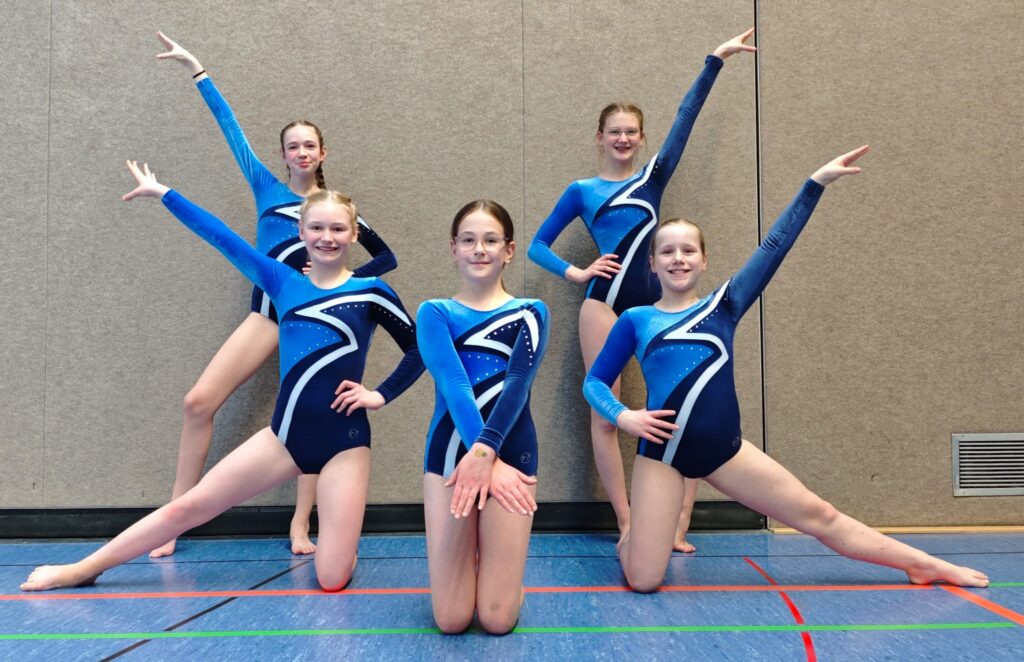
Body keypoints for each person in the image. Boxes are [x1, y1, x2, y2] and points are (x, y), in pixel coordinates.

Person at [583, 146, 990, 591]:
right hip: (661, 455)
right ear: (652, 263)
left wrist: (814, 184)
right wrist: (624, 416)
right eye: (667, 251)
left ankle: (923, 563)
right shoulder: (636, 320)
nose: (677, 258)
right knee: (643, 580)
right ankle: (632, 540)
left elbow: (775, 246)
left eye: (688, 250)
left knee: (820, 514)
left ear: (704, 260)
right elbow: (595, 382)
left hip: (723, 451)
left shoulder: (724, 305)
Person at [20, 162, 421, 592]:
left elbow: (420, 349)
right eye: (317, 227)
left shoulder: (372, 291)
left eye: (338, 229)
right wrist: (164, 193)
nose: (328, 237)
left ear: (354, 234)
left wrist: (380, 395)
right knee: (187, 507)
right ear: (302, 232)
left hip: (346, 444)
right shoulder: (281, 281)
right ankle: (83, 568)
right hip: (284, 438)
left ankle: (343, 546)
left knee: (331, 577)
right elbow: (221, 237)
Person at [151, 33, 397, 557]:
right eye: (293, 146)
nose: (301, 152)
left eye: (310, 145)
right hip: (267, 314)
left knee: (314, 410)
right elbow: (230, 129)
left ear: (323, 152)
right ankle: (173, 516)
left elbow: (386, 258)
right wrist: (198, 71)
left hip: (315, 319)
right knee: (197, 402)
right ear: (283, 155)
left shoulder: (337, 211)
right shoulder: (267, 189)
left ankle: (301, 524)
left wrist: (337, 282)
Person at [528, 28, 756, 549]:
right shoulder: (582, 191)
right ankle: (628, 522)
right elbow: (538, 245)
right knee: (606, 417)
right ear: (600, 136)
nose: (623, 139)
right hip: (603, 306)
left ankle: (675, 525)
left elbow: (685, 121)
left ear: (641, 138)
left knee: (679, 412)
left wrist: (714, 61)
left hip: (659, 308)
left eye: (632, 132)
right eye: (615, 131)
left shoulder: (653, 177)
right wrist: (576, 273)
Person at [417, 201, 549, 634]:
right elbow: (454, 384)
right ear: (453, 248)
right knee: (452, 620)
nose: (479, 249)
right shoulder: (434, 312)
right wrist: (481, 458)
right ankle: (475, 577)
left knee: (496, 620)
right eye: (469, 240)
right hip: (451, 458)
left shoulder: (531, 311)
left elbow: (517, 385)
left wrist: (489, 455)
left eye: (491, 240)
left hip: (512, 455)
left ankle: (502, 585)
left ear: (508, 250)